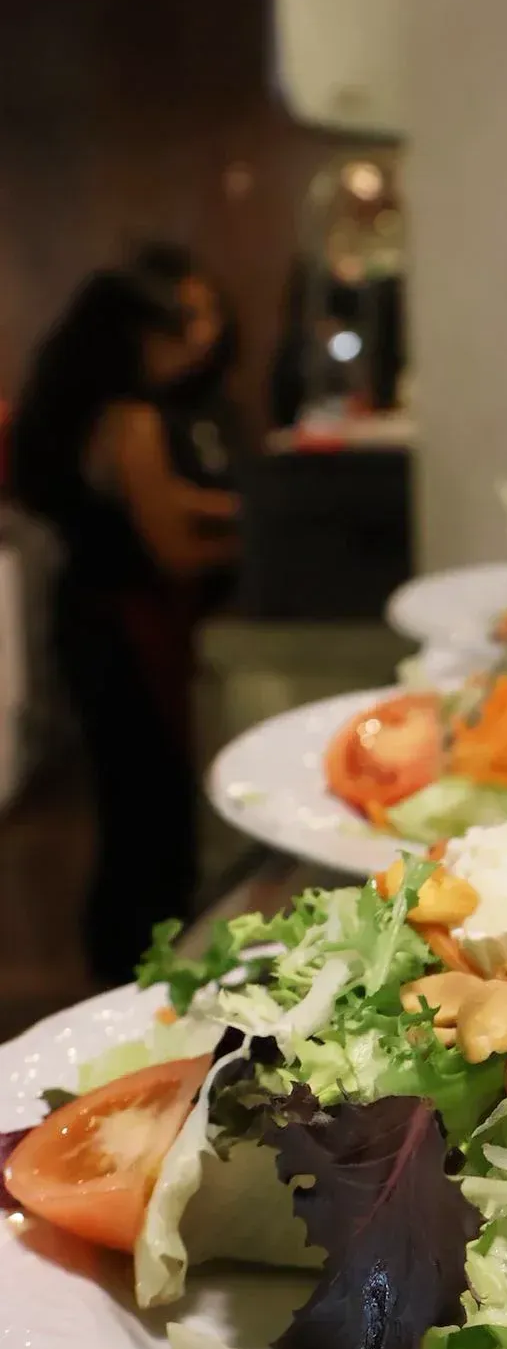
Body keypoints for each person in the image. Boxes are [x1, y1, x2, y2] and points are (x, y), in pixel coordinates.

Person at [10, 245, 242, 984]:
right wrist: (252, 541)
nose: (187, 350)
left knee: (124, 807)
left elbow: (166, 508)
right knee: (151, 815)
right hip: (129, 629)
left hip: (89, 619)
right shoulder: (134, 418)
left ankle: (118, 972)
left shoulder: (83, 413)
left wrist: (234, 511)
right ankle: (140, 977)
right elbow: (173, 549)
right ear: (138, 340)